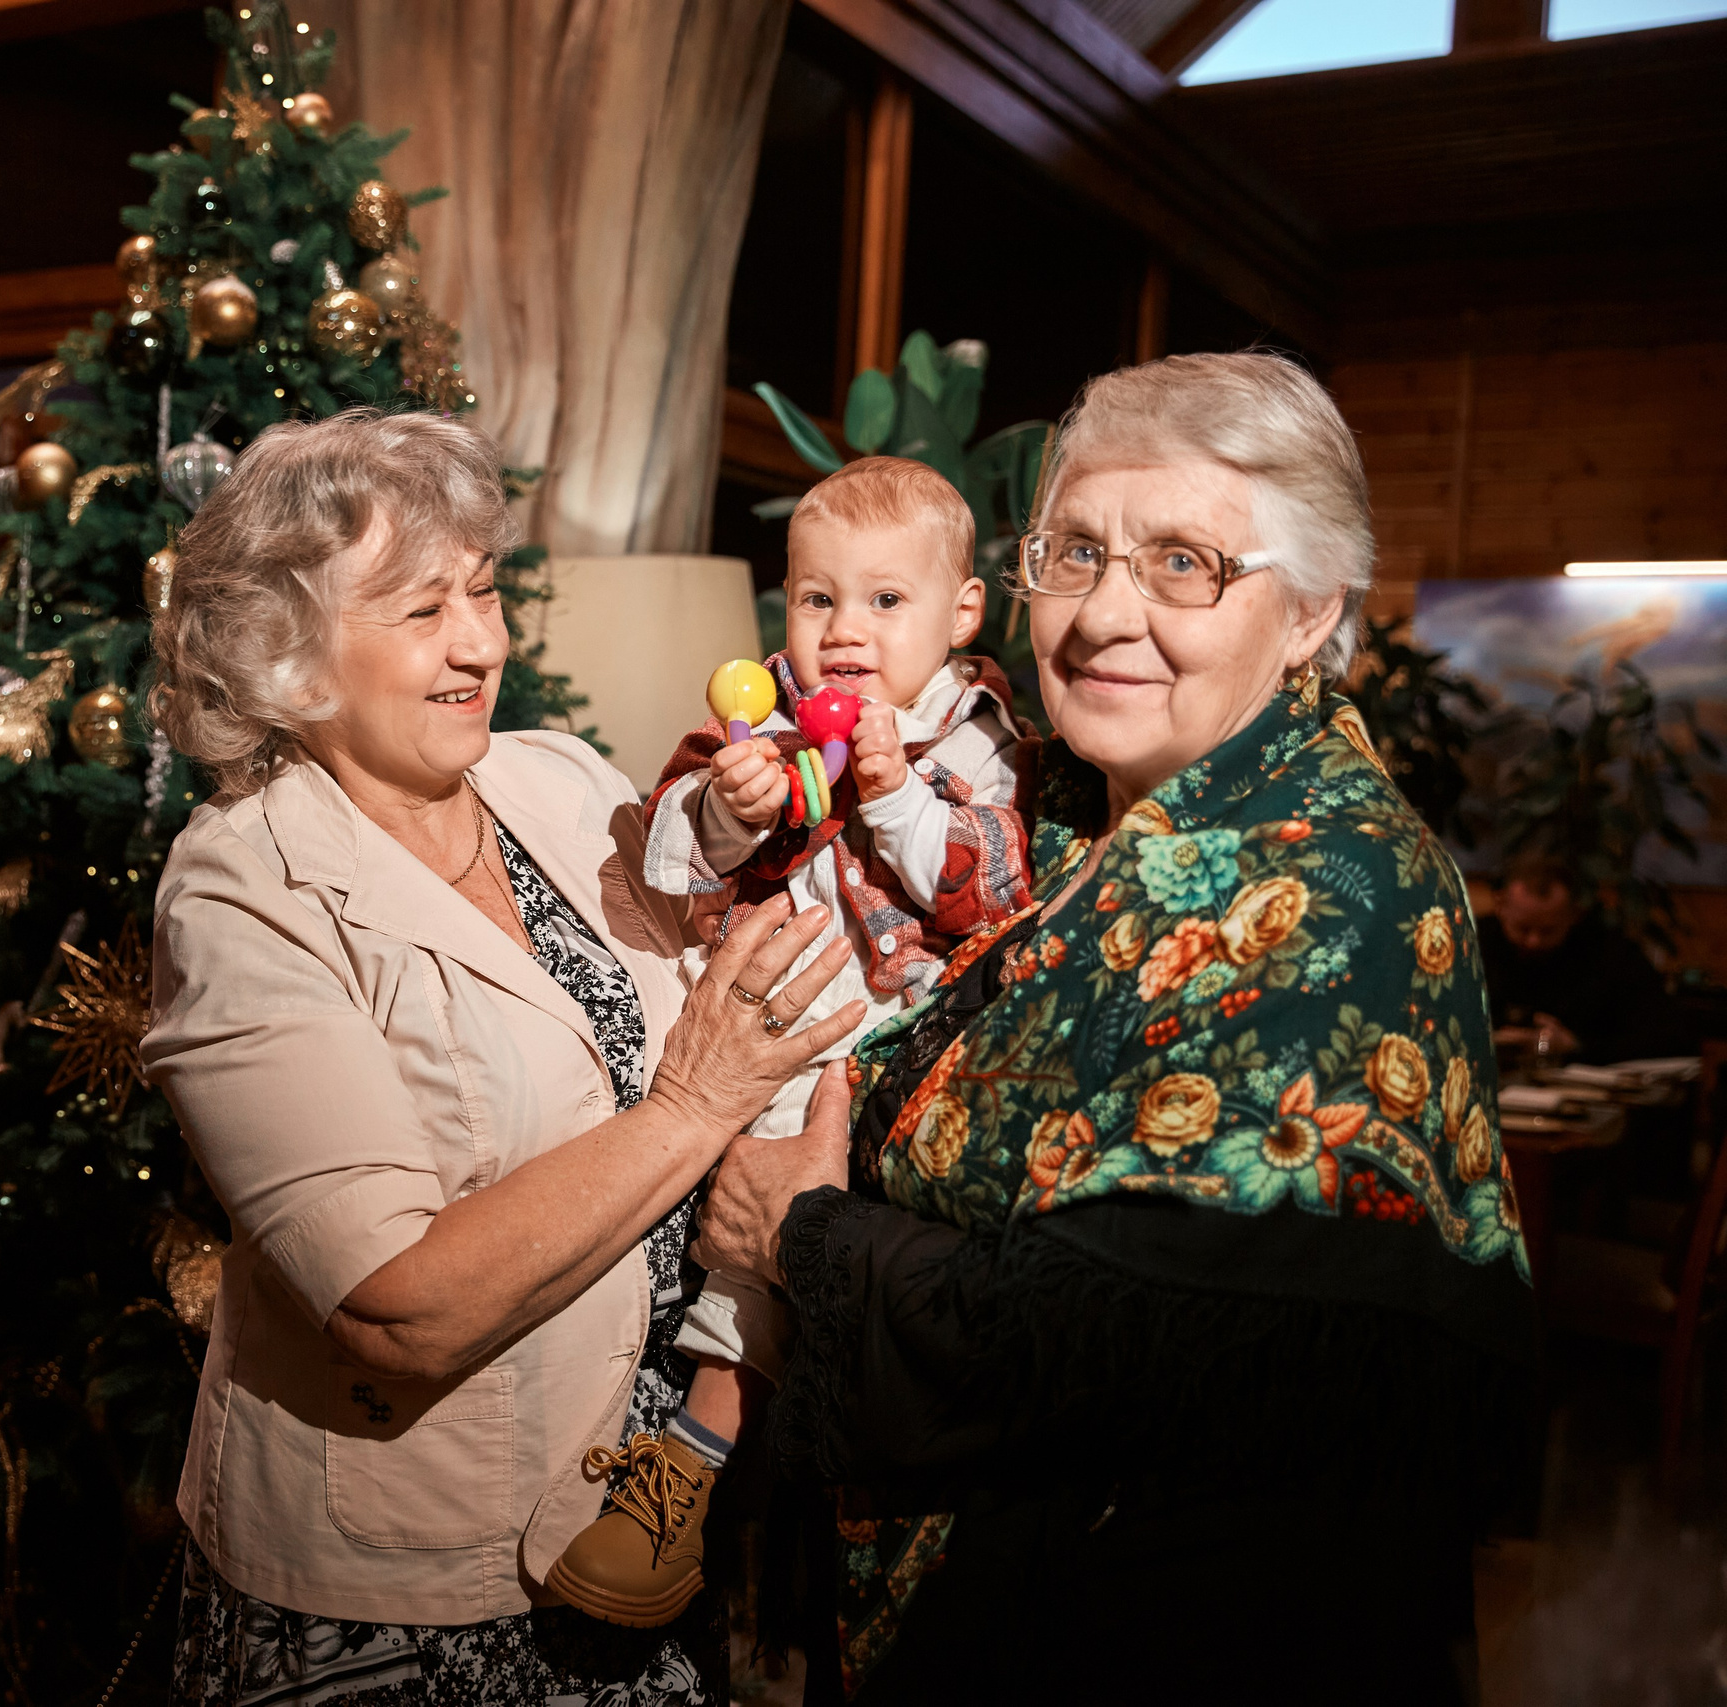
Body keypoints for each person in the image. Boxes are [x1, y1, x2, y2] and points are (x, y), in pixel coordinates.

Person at [691, 352, 1536, 1703]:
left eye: (1186, 563)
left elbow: (1132, 1331)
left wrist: (794, 1234)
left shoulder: (1324, 880)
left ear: (1313, 609)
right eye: (1075, 551)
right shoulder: (1072, 813)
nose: (1100, 617)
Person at [139, 406, 868, 1703]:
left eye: (482, 589)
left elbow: (733, 953)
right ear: (291, 653)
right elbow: (391, 1309)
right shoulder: (241, 885)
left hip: (645, 1519)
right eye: (422, 611)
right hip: (410, 1593)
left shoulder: (562, 780)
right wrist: (698, 1106)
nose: (482, 641)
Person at [548, 455, 1034, 1627]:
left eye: (884, 601)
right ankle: (687, 1471)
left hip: (910, 1042)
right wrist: (727, 807)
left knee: (813, 1246)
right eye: (818, 600)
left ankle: (711, 1464)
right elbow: (660, 852)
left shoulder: (974, 737)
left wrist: (891, 795)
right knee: (728, 1232)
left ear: (960, 612)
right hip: (773, 1028)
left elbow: (987, 888)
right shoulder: (754, 714)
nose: (844, 632)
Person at [1480, 851, 1695, 1065]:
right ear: (1501, 906)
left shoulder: (1610, 953)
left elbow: (1671, 1038)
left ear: (1573, 914)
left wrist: (1576, 1046)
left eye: (1547, 931)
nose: (1533, 941)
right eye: (1522, 928)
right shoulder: (1470, 944)